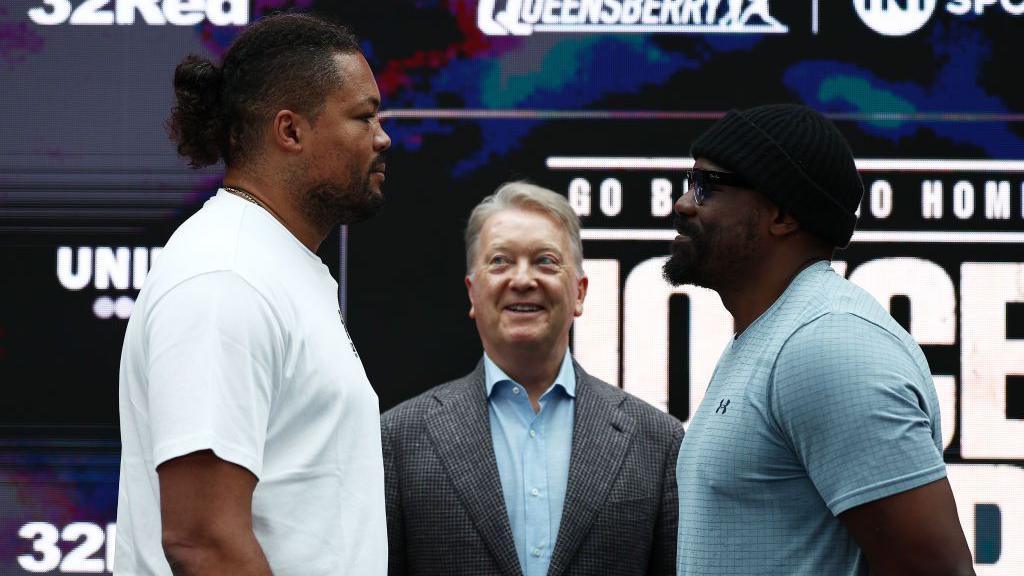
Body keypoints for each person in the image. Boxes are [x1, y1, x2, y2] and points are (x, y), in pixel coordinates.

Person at [115, 12, 391, 575]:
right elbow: (201, 539)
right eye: (363, 117)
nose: (382, 137)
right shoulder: (225, 277)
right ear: (289, 131)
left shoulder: (269, 265)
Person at [666, 104, 974, 575]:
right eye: (690, 182)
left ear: (783, 215)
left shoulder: (826, 345)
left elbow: (936, 570)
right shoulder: (773, 335)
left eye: (708, 186)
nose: (684, 203)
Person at [382, 182, 684, 576]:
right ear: (472, 294)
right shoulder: (399, 440)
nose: (523, 280)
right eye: (501, 261)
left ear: (579, 292)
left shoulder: (657, 442)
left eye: (545, 261)